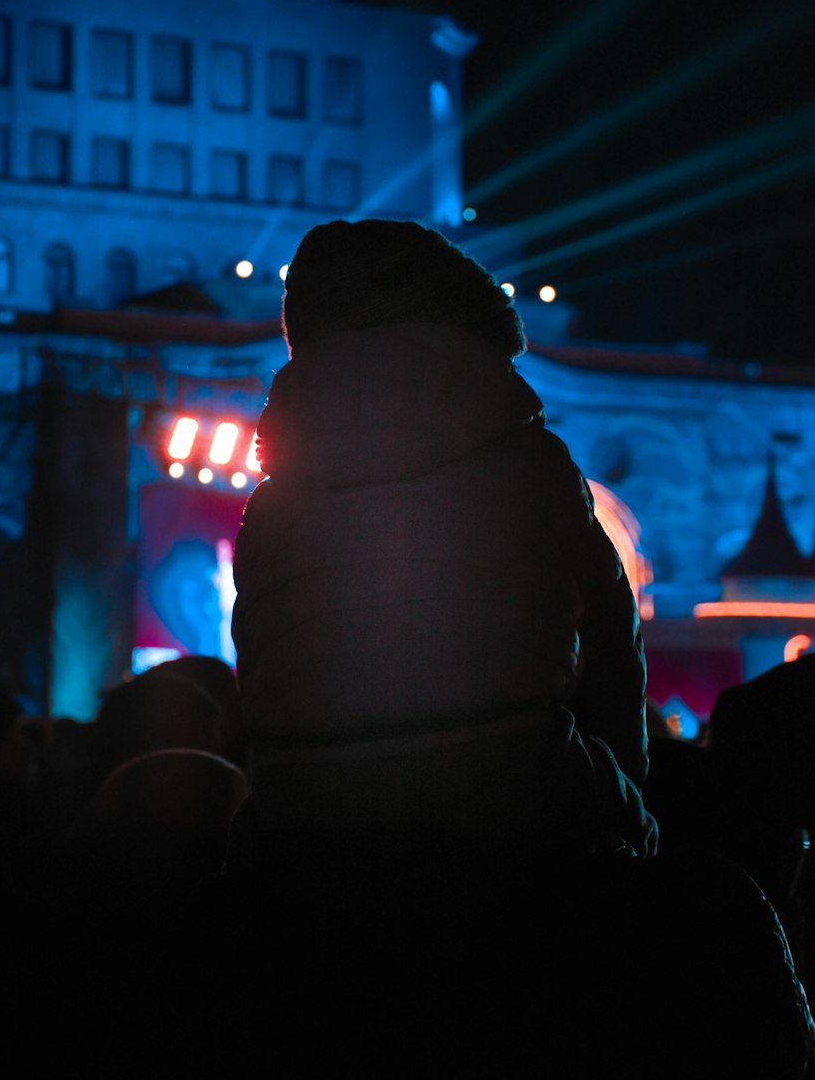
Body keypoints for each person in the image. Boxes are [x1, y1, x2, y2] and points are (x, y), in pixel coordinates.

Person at [231, 219, 654, 856]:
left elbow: (258, 665)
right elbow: (610, 645)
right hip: (515, 797)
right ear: (467, 327)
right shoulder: (531, 465)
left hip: (308, 818)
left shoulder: (273, 502)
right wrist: (624, 796)